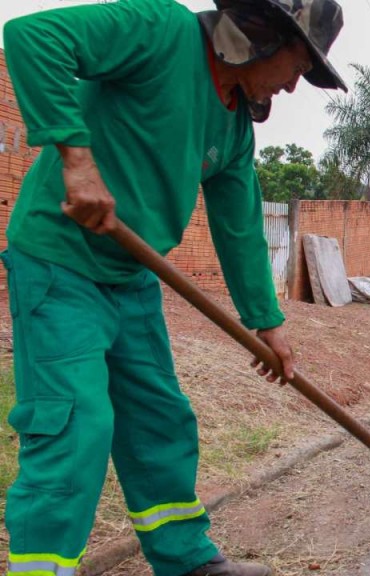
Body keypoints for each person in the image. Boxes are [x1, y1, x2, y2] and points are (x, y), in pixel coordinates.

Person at [2, 1, 347, 575]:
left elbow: (239, 227)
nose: (292, 86)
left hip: (133, 277)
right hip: (59, 264)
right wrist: (76, 160)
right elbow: (32, 37)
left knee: (160, 419)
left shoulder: (233, 126)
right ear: (263, 34)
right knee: (77, 425)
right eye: (297, 65)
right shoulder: (160, 31)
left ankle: (185, 559)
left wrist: (267, 323)